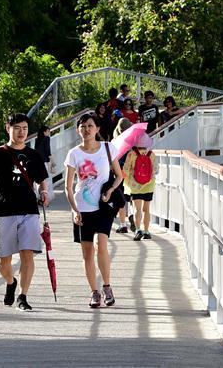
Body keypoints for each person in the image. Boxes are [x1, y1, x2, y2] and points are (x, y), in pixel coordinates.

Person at [0, 113, 50, 311]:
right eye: (17, 128)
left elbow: (41, 180)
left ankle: (23, 295)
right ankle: (11, 282)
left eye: (25, 128)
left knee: (27, 253)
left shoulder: (34, 155)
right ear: (8, 128)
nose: (22, 132)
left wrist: (44, 191)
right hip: (4, 211)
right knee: (4, 262)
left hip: (29, 209)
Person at [65, 113, 124, 308]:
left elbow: (119, 175)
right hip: (83, 207)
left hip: (103, 205)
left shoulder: (108, 148)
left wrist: (111, 190)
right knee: (87, 253)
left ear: (97, 129)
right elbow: (68, 187)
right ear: (77, 130)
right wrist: (74, 210)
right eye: (82, 127)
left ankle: (107, 286)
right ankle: (94, 292)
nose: (86, 130)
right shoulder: (74, 153)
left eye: (90, 126)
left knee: (101, 245)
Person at [124, 141, 159, 240]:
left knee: (137, 209)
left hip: (135, 186)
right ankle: (147, 231)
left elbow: (126, 169)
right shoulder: (151, 154)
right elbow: (156, 170)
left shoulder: (131, 154)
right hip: (149, 185)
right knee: (146, 209)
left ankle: (138, 230)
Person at [112, 118, 136, 234]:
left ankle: (122, 224)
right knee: (131, 198)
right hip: (131, 173)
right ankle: (132, 214)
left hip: (119, 173)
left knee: (120, 199)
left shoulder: (114, 142)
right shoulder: (132, 142)